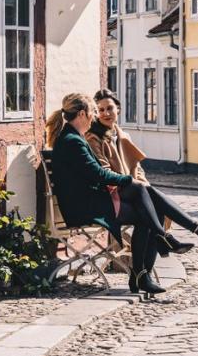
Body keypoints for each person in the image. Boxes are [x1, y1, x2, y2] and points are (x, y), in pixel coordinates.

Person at [46, 93, 178, 295]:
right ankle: (146, 268)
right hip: (83, 209)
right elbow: (97, 173)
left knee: (149, 207)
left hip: (88, 202)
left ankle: (144, 272)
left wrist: (129, 181)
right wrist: (126, 180)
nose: (94, 117)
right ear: (82, 114)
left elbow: (92, 174)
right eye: (93, 112)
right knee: (146, 207)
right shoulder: (73, 141)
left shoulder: (72, 138)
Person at [85, 89, 198, 259]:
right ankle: (196, 232)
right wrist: (139, 186)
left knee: (154, 205)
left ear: (118, 109)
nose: (106, 113)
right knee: (149, 203)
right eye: (101, 110)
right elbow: (104, 172)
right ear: (95, 113)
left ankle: (145, 274)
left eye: (110, 108)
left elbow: (137, 169)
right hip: (111, 194)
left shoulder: (122, 135)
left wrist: (143, 184)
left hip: (130, 191)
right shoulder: (93, 138)